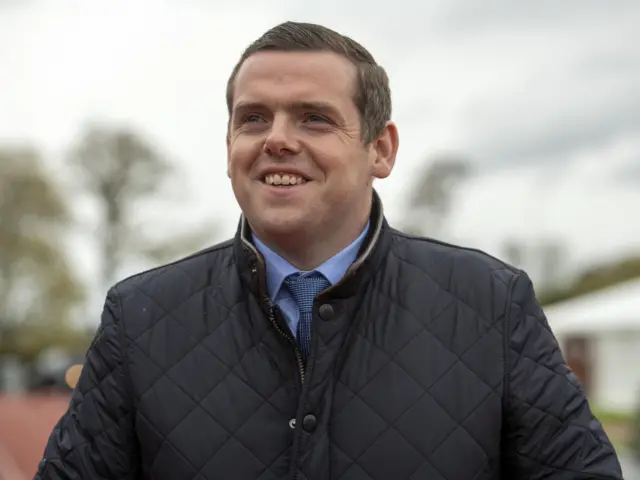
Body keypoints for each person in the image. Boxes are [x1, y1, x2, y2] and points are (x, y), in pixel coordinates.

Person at [35, 21, 623, 480]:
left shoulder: (490, 304)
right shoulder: (140, 318)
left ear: (381, 150)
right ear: (229, 144)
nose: (278, 140)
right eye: (254, 118)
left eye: (314, 119)